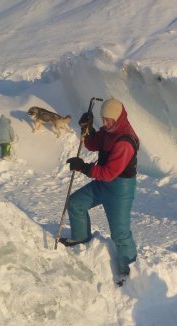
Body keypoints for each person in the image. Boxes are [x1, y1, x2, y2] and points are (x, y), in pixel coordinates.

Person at [62, 97, 139, 284]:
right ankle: (81, 239)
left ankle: (129, 273)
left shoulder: (125, 142)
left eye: (109, 120)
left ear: (119, 118)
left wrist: (83, 167)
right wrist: (87, 129)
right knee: (75, 203)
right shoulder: (108, 131)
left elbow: (108, 173)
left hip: (120, 189)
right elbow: (91, 144)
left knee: (120, 234)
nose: (105, 123)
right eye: (103, 119)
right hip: (103, 183)